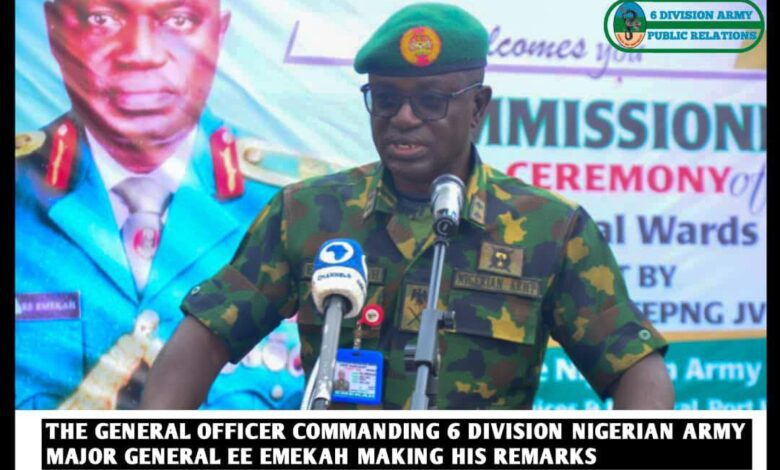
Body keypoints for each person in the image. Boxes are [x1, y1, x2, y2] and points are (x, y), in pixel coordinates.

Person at [141, 2, 674, 410]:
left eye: (430, 101)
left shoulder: (550, 229)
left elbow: (636, 370)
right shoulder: (307, 213)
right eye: (387, 99)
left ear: (477, 108)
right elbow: (204, 341)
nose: (403, 117)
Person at [14, 0, 336, 410]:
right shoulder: (21, 190)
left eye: (179, 20)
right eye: (102, 19)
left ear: (218, 34)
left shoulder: (310, 206)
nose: (141, 54)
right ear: (54, 27)